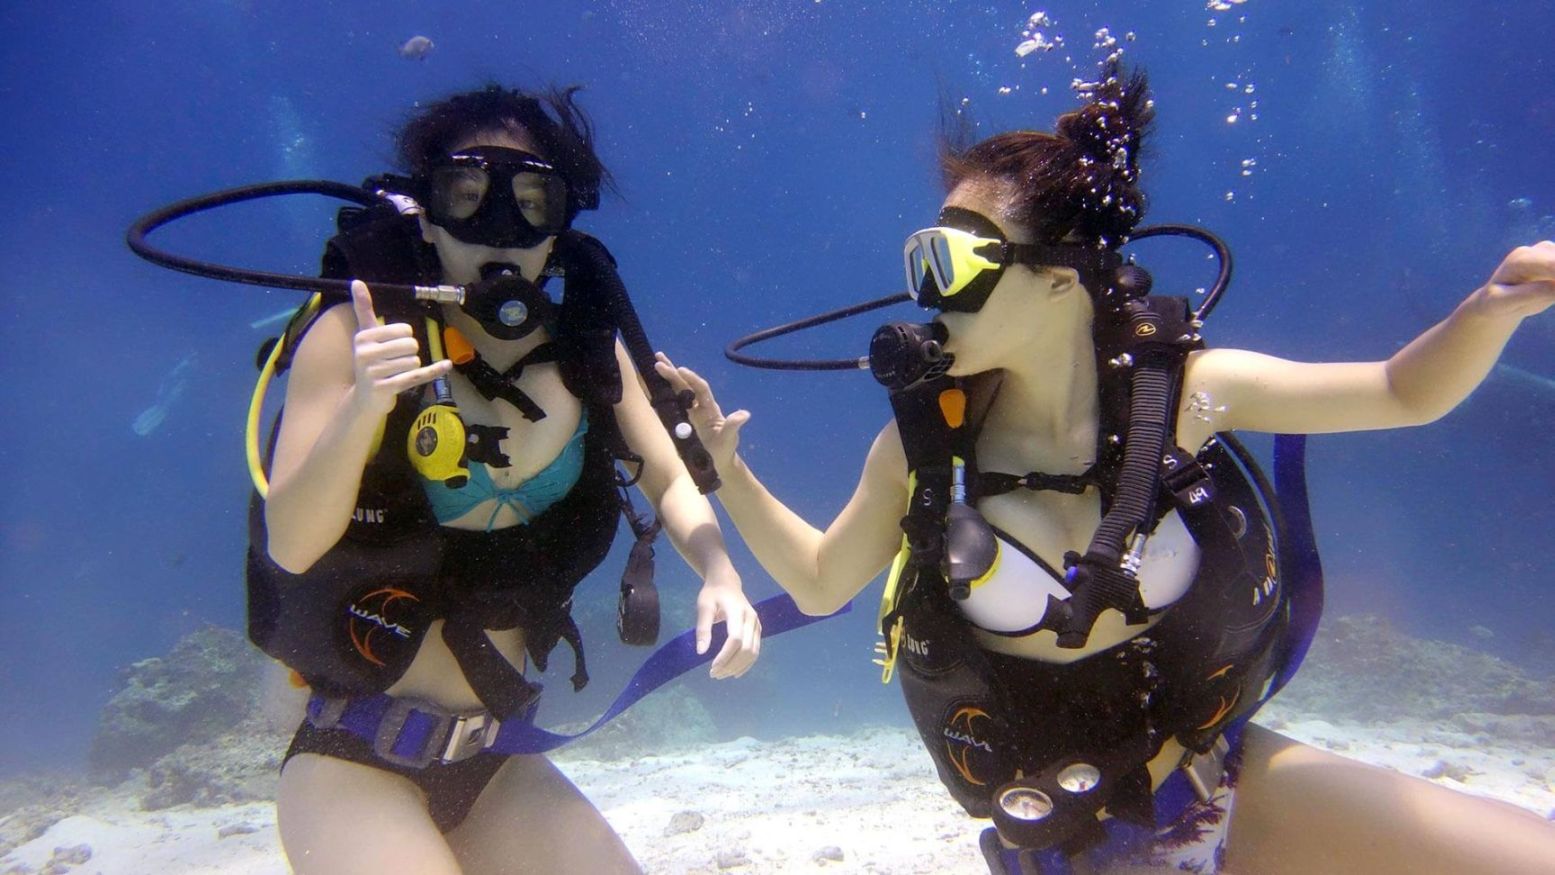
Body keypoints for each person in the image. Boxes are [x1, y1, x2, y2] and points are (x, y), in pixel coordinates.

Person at [657, 64, 1555, 873]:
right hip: (1058, 839)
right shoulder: (929, 445)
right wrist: (726, 469)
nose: (925, 297)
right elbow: (819, 584)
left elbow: (1401, 392)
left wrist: (1489, 309)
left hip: (1219, 774)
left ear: (1059, 281)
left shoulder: (1190, 394)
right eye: (919, 263)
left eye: (953, 264)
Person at [253, 85, 762, 875]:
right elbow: (290, 543)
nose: (502, 231)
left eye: (531, 202)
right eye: (468, 197)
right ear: (424, 213)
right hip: (350, 755)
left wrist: (719, 571)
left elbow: (667, 475)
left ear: (559, 224)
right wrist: (361, 412)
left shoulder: (587, 351)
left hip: (498, 758)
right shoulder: (358, 334)